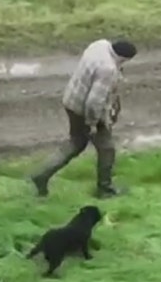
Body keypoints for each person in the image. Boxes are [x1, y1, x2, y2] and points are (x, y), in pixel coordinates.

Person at [29, 38, 137, 199]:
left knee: (76, 142)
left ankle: (42, 175)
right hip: (85, 110)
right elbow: (94, 102)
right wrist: (93, 124)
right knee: (106, 149)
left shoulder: (100, 45)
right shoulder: (108, 69)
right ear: (122, 58)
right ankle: (105, 189)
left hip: (71, 100)